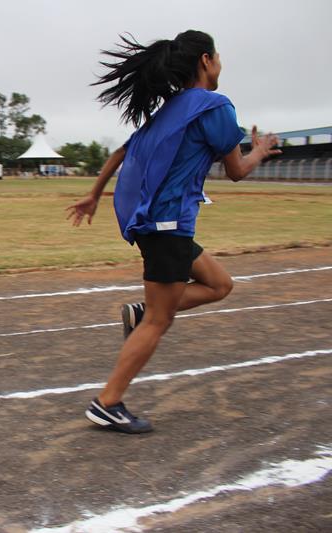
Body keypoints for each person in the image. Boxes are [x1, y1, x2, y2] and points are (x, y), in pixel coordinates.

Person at [67, 30, 280, 433]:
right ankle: (107, 401)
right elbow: (236, 171)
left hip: (158, 226)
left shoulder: (168, 111)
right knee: (160, 322)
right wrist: (260, 152)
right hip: (167, 225)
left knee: (220, 284)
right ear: (205, 60)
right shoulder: (215, 106)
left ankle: (144, 311)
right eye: (218, 56)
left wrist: (93, 195)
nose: (220, 64)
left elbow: (121, 152)